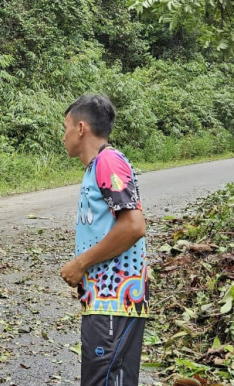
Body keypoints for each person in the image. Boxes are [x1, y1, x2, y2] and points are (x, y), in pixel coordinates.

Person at [58, 94, 149, 385]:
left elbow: (134, 225)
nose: (64, 136)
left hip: (115, 301)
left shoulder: (109, 161)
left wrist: (80, 263)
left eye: (66, 127)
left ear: (81, 128)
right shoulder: (97, 166)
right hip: (103, 302)